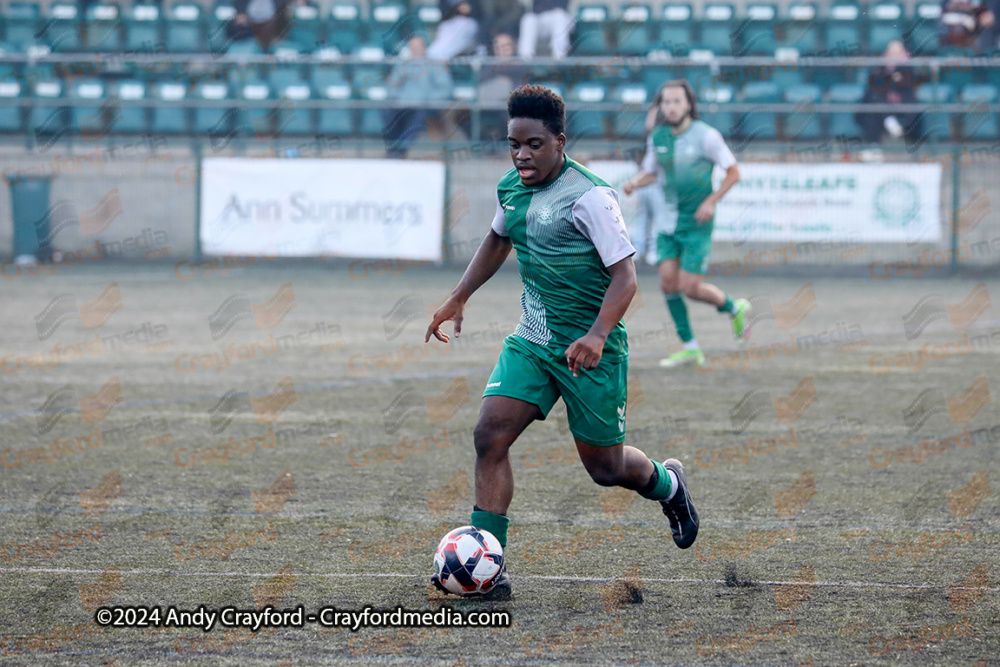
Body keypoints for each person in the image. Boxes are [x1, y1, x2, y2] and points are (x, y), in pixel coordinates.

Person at [426, 85, 700, 599]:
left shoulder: (591, 196)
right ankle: (490, 567)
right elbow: (498, 239)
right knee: (489, 436)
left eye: (534, 144)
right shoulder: (512, 187)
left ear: (559, 141)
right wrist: (458, 295)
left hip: (590, 350)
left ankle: (669, 484)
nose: (522, 155)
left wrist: (596, 335)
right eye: (514, 144)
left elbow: (626, 278)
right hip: (532, 340)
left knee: (606, 468)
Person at [623, 80, 747, 369]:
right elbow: (651, 172)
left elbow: (734, 172)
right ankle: (690, 348)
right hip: (668, 222)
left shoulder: (707, 136)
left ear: (689, 104)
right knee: (668, 283)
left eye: (677, 101)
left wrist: (711, 201)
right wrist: (635, 182)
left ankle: (734, 306)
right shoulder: (659, 136)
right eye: (666, 102)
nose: (671, 107)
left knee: (690, 287)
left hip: (696, 223)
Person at [382, 34, 454, 158]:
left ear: (424, 48)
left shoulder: (435, 65)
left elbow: (445, 88)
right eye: (412, 47)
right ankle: (393, 148)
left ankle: (400, 151)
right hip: (402, 103)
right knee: (386, 112)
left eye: (417, 47)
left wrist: (427, 100)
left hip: (426, 105)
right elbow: (392, 85)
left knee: (418, 118)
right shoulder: (403, 64)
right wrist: (398, 99)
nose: (414, 50)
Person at [855, 40, 925, 147]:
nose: (895, 57)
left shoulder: (908, 68)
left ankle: (913, 147)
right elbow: (876, 88)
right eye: (892, 54)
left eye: (898, 54)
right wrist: (889, 72)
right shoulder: (877, 68)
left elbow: (909, 87)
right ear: (886, 54)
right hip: (881, 106)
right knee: (871, 104)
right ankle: (874, 146)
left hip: (902, 105)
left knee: (915, 109)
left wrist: (901, 68)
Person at [478, 32, 529, 142]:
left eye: (506, 46)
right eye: (499, 46)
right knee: (464, 114)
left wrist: (496, 72)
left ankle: (500, 147)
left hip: (510, 103)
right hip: (487, 103)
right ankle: (485, 145)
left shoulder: (520, 62)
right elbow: (481, 77)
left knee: (507, 114)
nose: (502, 49)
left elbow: (520, 71)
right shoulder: (487, 63)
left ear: (512, 47)